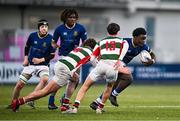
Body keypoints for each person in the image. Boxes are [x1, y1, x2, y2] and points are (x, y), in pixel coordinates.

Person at [11, 38, 97, 112]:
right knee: (45, 92)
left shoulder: (79, 48)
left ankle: (65, 104)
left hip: (60, 64)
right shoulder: (91, 52)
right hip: (65, 70)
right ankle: (18, 102)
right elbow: (96, 64)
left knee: (75, 78)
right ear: (93, 47)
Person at [69, 23, 131, 114]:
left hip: (101, 65)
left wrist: (97, 66)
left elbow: (92, 58)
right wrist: (119, 60)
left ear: (107, 31)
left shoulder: (100, 42)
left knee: (85, 86)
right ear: (118, 32)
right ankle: (100, 108)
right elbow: (126, 47)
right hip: (113, 67)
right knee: (109, 87)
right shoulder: (123, 41)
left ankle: (75, 108)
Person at [90, 27, 156, 110]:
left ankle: (97, 102)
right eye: (142, 38)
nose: (144, 41)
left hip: (120, 64)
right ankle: (113, 95)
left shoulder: (143, 46)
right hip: (113, 62)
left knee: (114, 83)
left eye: (145, 38)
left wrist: (152, 61)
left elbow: (153, 54)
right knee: (128, 78)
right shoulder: (124, 42)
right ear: (135, 37)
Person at [9, 19, 56, 109]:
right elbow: (27, 47)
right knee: (19, 85)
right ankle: (14, 104)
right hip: (31, 65)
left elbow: (52, 55)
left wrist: (40, 60)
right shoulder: (32, 36)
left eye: (46, 27)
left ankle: (31, 100)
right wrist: (25, 59)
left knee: (45, 80)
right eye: (42, 27)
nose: (44, 28)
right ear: (39, 28)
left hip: (43, 65)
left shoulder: (51, 39)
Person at [48, 8, 87, 110]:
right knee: (59, 79)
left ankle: (65, 99)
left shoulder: (81, 28)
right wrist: (57, 46)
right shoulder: (59, 29)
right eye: (70, 17)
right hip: (64, 57)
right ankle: (51, 100)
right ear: (65, 18)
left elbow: (85, 42)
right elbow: (53, 42)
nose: (73, 19)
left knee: (75, 80)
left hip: (76, 57)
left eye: (74, 17)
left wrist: (80, 48)